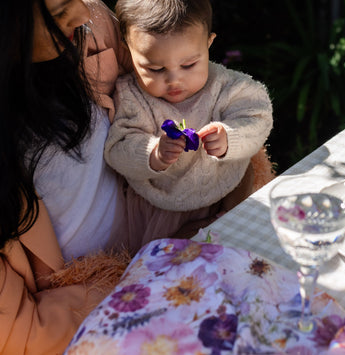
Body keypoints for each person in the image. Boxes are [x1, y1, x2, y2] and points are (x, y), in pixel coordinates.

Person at [0, 0, 133, 353]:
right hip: (109, 316)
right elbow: (23, 332)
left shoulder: (87, 25)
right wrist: (147, 282)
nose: (84, 12)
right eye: (59, 11)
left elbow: (183, 85)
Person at [104, 0, 274, 252]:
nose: (174, 80)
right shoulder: (131, 96)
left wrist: (230, 137)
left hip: (224, 196)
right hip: (161, 210)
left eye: (189, 65)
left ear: (208, 44)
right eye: (155, 68)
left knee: (235, 259)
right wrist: (153, 153)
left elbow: (258, 117)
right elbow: (118, 148)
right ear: (128, 51)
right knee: (171, 271)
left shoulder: (226, 86)